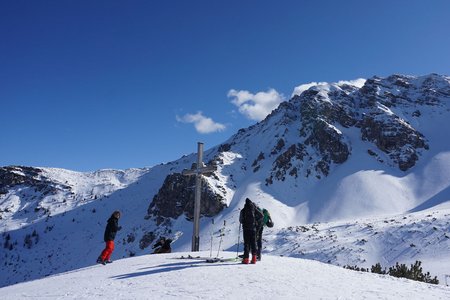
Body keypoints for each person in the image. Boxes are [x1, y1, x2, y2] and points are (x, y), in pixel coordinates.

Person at [239, 198, 262, 264]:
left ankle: (246, 259)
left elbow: (240, 220)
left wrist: (244, 221)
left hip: (246, 229)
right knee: (253, 243)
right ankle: (254, 259)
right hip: (253, 229)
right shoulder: (254, 209)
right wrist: (255, 221)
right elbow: (261, 215)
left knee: (246, 244)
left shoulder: (243, 210)